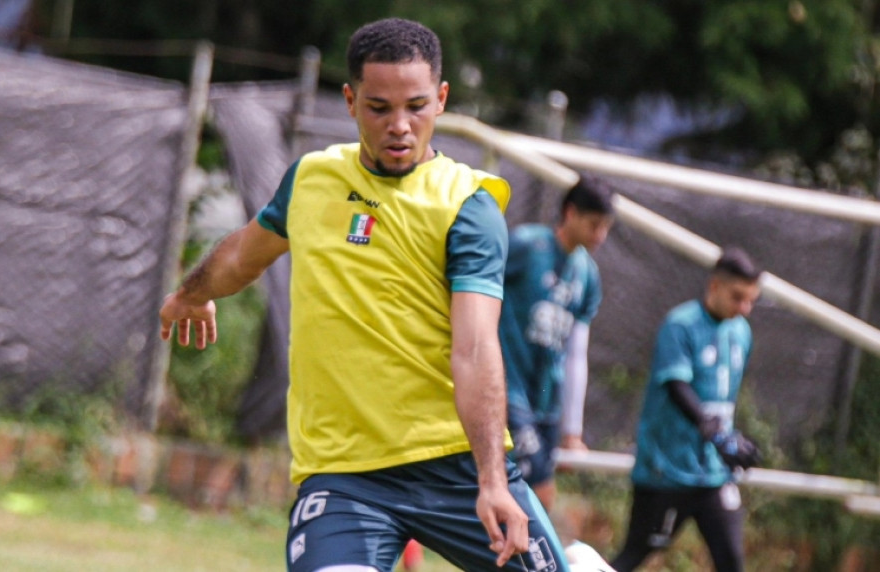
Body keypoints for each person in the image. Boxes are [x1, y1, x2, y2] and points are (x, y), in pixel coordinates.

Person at [159, 17, 587, 572]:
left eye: (416, 106)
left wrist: (491, 481)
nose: (400, 126)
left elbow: (476, 348)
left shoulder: (468, 206)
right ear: (350, 101)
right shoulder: (312, 180)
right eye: (379, 108)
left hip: (455, 465)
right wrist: (192, 293)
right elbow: (245, 253)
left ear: (442, 99)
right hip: (345, 476)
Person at [610, 247, 764, 572]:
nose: (745, 308)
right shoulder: (680, 324)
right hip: (665, 471)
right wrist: (719, 436)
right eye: (738, 297)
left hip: (713, 474)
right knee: (632, 557)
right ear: (715, 286)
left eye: (751, 299)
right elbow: (677, 387)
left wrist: (729, 439)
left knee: (732, 560)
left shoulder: (741, 332)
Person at [499, 180, 615, 511]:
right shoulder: (525, 245)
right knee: (539, 496)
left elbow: (576, 354)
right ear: (570, 212)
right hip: (509, 392)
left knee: (527, 503)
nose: (600, 236)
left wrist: (571, 431)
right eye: (594, 224)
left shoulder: (588, 275)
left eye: (606, 227)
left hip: (546, 404)